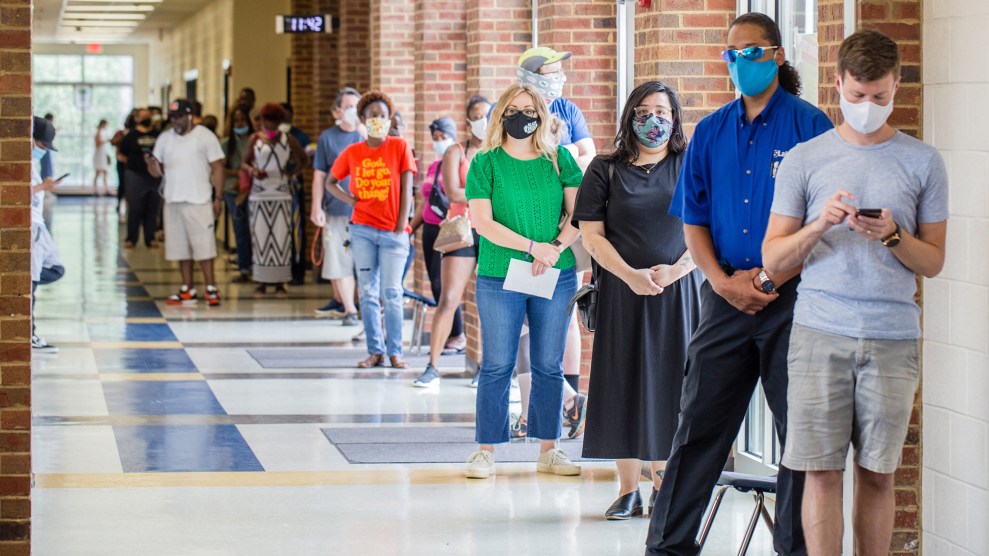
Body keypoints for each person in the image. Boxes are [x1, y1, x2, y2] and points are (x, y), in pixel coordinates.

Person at [645, 13, 834, 556]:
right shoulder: (709, 132)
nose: (739, 62)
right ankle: (668, 545)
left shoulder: (810, 126)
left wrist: (772, 279)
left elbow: (823, 224)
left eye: (751, 52)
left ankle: (794, 548)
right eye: (731, 53)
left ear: (775, 55)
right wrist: (724, 284)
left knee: (797, 436)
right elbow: (694, 220)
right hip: (724, 296)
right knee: (699, 426)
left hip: (795, 300)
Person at [762, 30, 948, 556]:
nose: (868, 106)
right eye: (859, 95)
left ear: (896, 87)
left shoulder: (923, 161)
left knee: (879, 473)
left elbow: (932, 262)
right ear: (838, 83)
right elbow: (774, 260)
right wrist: (819, 224)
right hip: (820, 332)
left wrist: (893, 235)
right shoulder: (804, 159)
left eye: (881, 97)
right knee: (820, 473)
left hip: (892, 337)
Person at [573, 81, 702, 520]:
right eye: (643, 111)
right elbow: (591, 235)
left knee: (674, 380)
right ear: (629, 116)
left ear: (675, 118)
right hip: (621, 292)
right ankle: (629, 488)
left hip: (678, 291)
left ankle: (664, 480)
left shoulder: (690, 164)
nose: (653, 120)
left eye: (662, 111)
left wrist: (678, 269)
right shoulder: (604, 168)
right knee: (621, 380)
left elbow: (710, 229)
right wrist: (629, 276)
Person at [463, 83, 583, 480]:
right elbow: (483, 223)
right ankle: (485, 450)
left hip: (554, 272)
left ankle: (550, 449)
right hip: (500, 273)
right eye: (513, 110)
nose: (521, 117)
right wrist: (534, 247)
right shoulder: (486, 163)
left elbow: (578, 216)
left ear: (542, 117)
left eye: (529, 110)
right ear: (501, 116)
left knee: (548, 364)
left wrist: (554, 247)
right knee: (497, 363)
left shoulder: (560, 159)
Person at [325, 91, 416, 368]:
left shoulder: (399, 147)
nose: (377, 119)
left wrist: (401, 224)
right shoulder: (352, 152)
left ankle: (395, 351)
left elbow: (408, 187)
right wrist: (350, 200)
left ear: (390, 119)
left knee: (391, 292)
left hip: (393, 232)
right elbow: (331, 182)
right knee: (367, 292)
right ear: (363, 119)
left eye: (382, 115)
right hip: (362, 229)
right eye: (372, 115)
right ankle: (375, 350)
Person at [410, 99, 490, 388]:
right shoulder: (456, 152)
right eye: (477, 116)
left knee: (488, 303)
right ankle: (432, 367)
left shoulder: (501, 153)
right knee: (449, 297)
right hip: (463, 229)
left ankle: (486, 366)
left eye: (488, 115)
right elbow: (454, 193)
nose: (483, 121)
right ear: (468, 121)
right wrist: (488, 196)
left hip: (494, 232)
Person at [146, 99, 226, 307]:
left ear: (189, 115)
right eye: (172, 117)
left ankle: (211, 287)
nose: (175, 121)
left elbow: (218, 167)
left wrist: (218, 196)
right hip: (173, 199)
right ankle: (187, 288)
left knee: (204, 247)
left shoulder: (205, 137)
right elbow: (156, 172)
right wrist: (152, 165)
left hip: (199, 200)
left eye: (179, 116)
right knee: (180, 248)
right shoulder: (165, 138)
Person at [310, 87, 365, 325]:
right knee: (338, 258)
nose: (354, 111)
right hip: (335, 209)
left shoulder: (366, 135)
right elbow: (319, 175)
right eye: (349, 106)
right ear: (338, 111)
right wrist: (316, 207)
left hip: (364, 212)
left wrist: (363, 131)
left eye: (357, 106)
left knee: (362, 262)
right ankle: (350, 310)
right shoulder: (328, 138)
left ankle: (365, 307)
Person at [241, 103, 307, 297]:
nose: (269, 124)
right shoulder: (255, 139)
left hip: (281, 192)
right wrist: (253, 171)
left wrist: (291, 172)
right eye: (267, 119)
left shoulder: (288, 139)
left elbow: (304, 160)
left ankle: (280, 282)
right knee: (260, 237)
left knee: (281, 238)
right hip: (259, 193)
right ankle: (261, 281)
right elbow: (244, 163)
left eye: (273, 120)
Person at [30, 116, 66, 354]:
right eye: (42, 146)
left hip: (37, 225)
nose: (43, 151)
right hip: (31, 226)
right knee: (30, 282)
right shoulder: (20, 160)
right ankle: (29, 333)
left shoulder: (31, 162)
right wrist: (43, 187)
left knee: (55, 268)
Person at [277, 103, 313, 286]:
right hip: (273, 189)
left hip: (292, 187)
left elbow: (306, 159)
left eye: (286, 115)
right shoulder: (270, 136)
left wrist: (293, 171)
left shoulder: (299, 136)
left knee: (296, 229)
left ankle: (297, 269)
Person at [116, 108, 161, 249]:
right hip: (135, 175)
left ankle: (150, 237)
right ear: (137, 119)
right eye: (143, 116)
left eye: (148, 116)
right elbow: (121, 154)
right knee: (135, 207)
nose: (147, 118)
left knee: (152, 207)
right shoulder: (131, 136)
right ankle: (131, 238)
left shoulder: (157, 135)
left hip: (153, 176)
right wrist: (132, 163)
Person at [221, 106, 254, 281]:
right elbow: (221, 168)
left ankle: (257, 265)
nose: (240, 123)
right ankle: (244, 268)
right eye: (236, 121)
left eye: (242, 120)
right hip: (233, 191)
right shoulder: (227, 143)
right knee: (240, 230)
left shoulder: (255, 140)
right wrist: (240, 175)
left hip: (253, 191)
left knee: (255, 230)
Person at [111, 110, 137, 215]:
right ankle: (119, 202)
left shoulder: (136, 134)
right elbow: (113, 142)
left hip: (132, 162)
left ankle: (130, 203)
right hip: (122, 162)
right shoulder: (121, 133)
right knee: (122, 183)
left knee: (132, 184)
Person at [92, 119, 110, 196]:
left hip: (102, 154)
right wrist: (106, 140)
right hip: (99, 155)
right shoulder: (98, 131)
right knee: (98, 173)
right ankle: (96, 190)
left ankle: (105, 189)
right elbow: (98, 143)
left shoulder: (101, 131)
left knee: (104, 172)